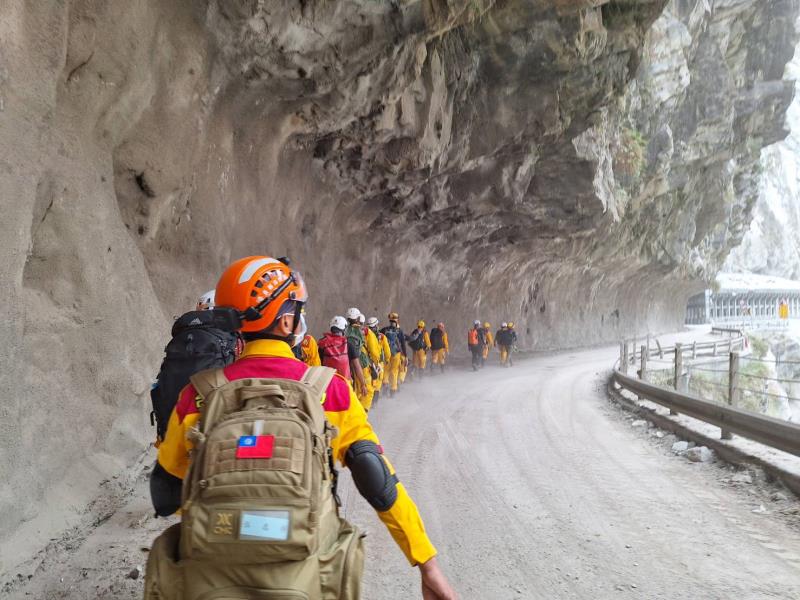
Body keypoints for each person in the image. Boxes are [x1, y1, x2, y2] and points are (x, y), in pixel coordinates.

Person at [150, 256, 456, 599]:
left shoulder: (197, 393)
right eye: (297, 309)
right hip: (302, 578)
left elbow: (166, 496)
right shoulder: (330, 389)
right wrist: (426, 562)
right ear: (285, 321)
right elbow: (375, 475)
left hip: (211, 579)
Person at [346, 308, 374, 411]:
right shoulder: (363, 331)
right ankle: (362, 413)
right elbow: (374, 349)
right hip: (361, 364)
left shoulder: (344, 329)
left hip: (346, 365)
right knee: (367, 390)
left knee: (353, 390)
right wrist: (375, 361)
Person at [318, 316, 360, 380]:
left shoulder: (323, 343)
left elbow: (318, 363)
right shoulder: (348, 344)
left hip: (327, 382)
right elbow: (357, 367)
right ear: (344, 329)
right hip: (344, 383)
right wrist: (363, 385)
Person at [381, 312, 408, 397]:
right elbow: (403, 344)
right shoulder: (399, 331)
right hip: (396, 353)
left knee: (386, 369)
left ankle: (385, 385)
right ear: (397, 320)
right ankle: (393, 390)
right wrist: (405, 355)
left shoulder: (384, 330)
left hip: (386, 353)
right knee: (394, 371)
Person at [368, 317, 391, 401]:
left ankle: (369, 401)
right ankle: (374, 402)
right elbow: (387, 350)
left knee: (370, 381)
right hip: (379, 363)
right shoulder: (381, 337)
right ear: (376, 325)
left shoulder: (366, 336)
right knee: (378, 382)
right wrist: (388, 359)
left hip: (368, 362)